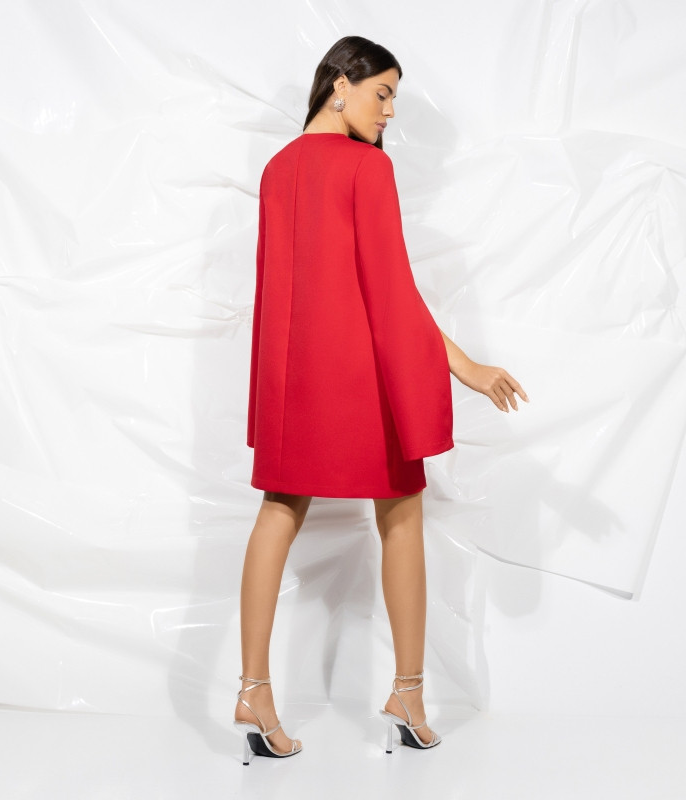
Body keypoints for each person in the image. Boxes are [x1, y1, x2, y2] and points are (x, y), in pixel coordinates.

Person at [233, 35, 527, 765]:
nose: (390, 111)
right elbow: (390, 288)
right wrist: (464, 366)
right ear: (341, 84)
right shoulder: (366, 168)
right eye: (382, 93)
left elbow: (274, 291)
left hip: (291, 377)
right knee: (401, 514)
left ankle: (253, 689)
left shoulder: (276, 169)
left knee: (277, 511)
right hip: (357, 379)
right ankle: (409, 693)